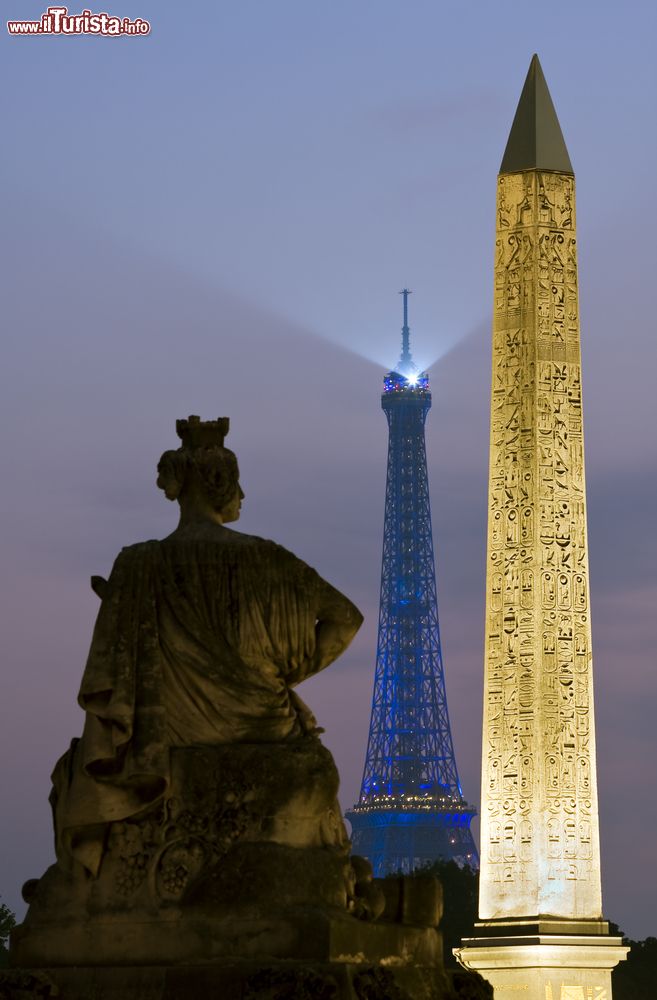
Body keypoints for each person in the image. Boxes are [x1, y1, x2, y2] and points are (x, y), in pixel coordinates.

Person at [51, 416, 363, 877]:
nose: (244, 497)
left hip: (173, 732)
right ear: (222, 485)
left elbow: (114, 674)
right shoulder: (268, 557)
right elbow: (346, 618)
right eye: (240, 485)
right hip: (263, 720)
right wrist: (281, 675)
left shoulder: (137, 565)